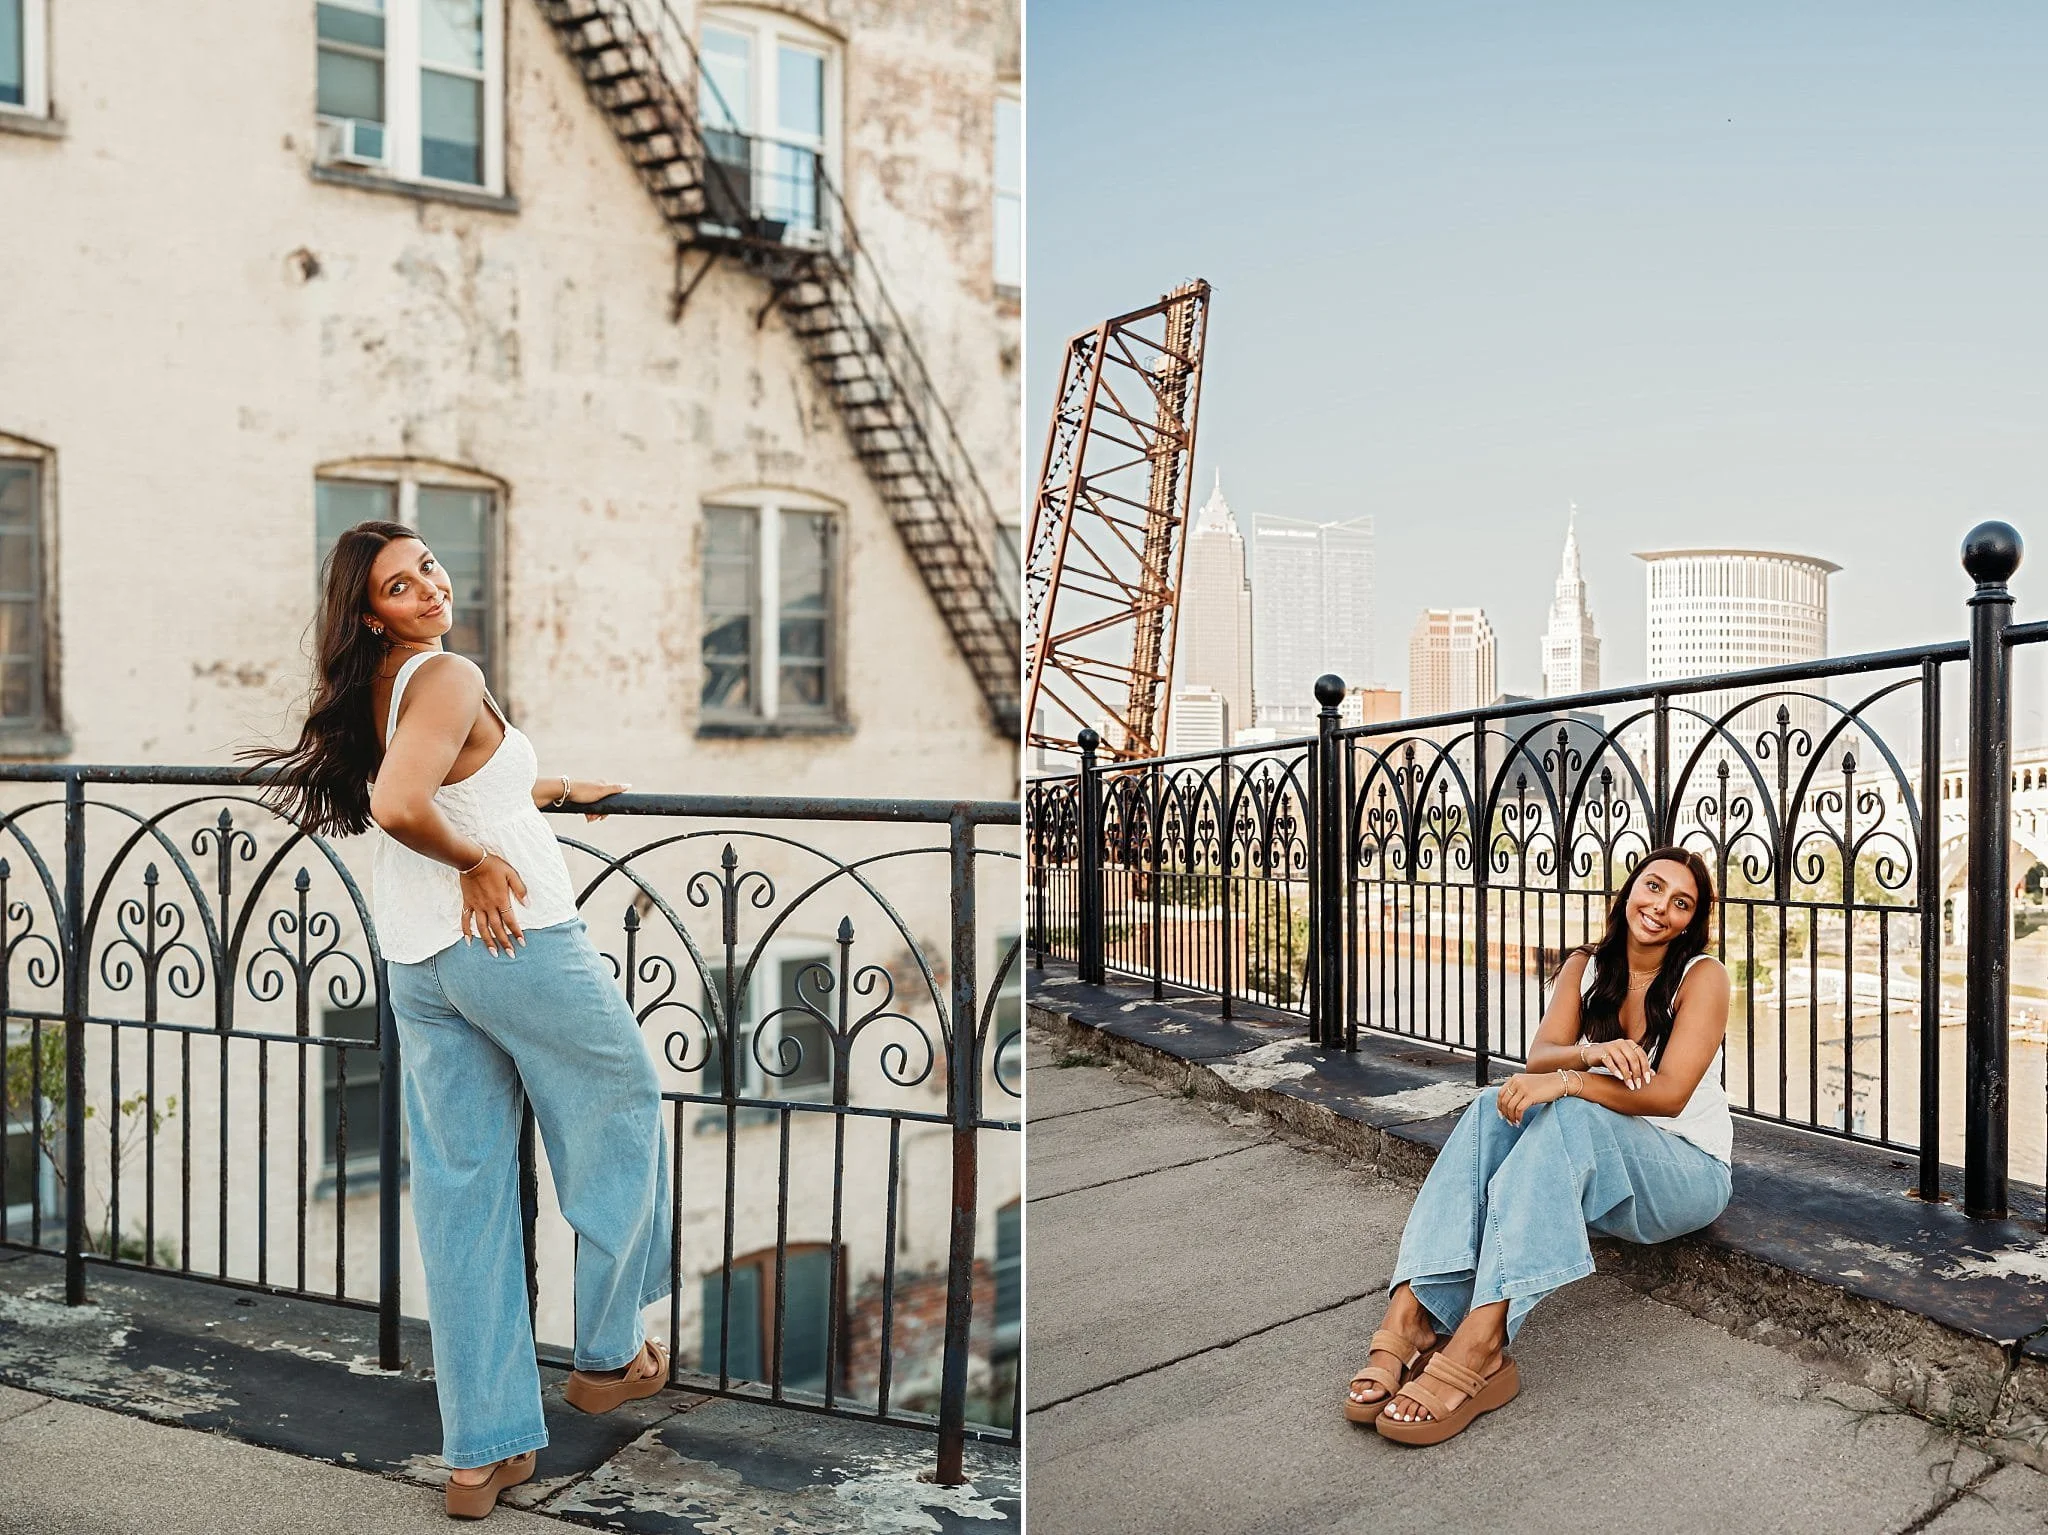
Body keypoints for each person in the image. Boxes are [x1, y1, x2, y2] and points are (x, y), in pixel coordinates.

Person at [246, 520, 675, 1518]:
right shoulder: (445, 673)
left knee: (463, 1196)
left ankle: (482, 1454)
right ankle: (608, 1354)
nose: (429, 587)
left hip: (418, 960)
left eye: (429, 566)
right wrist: (480, 863)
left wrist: (552, 787)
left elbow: (451, 777)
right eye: (400, 585)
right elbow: (405, 802)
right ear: (370, 613)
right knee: (620, 1105)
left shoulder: (375, 686)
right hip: (510, 941)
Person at [1341, 846, 1734, 1447]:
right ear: (1629, 891)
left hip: (1685, 1172)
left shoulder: (1702, 977)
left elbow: (1669, 1095)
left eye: (1681, 903)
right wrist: (1589, 1054)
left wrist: (1571, 1082)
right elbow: (1540, 1058)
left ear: (1691, 921)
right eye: (1653, 887)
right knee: (1490, 1107)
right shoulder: (1587, 965)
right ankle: (1413, 1313)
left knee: (1569, 1111)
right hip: (1605, 1171)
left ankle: (1482, 1341)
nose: (1661, 907)